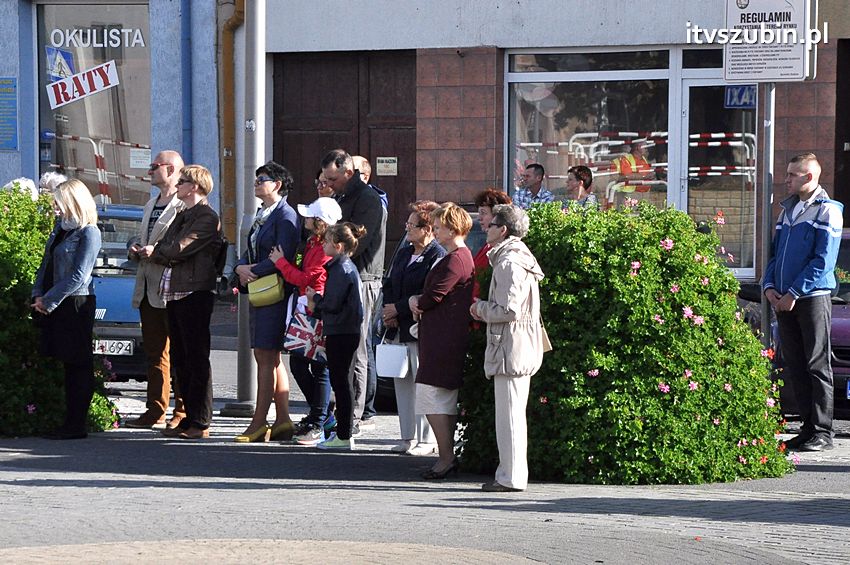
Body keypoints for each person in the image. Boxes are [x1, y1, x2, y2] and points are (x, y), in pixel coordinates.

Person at [763, 153, 843, 452]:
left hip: (810, 298)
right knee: (794, 363)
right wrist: (770, 287)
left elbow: (823, 262)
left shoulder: (827, 211)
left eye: (792, 175)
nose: (786, 179)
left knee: (816, 363)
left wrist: (794, 292)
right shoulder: (788, 211)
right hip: (784, 299)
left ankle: (823, 432)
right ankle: (807, 429)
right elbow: (775, 255)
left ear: (808, 177)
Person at [470, 204, 545, 492]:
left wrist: (479, 308)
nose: (484, 226)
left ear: (502, 229)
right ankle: (511, 474)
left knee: (510, 415)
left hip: (510, 346)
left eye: (490, 224)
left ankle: (511, 477)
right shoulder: (514, 257)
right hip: (515, 344)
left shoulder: (509, 261)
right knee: (511, 413)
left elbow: (508, 310)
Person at [151, 165, 223, 440]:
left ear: (194, 186)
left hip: (194, 292)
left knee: (196, 358)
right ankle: (188, 417)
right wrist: (160, 251)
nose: (177, 186)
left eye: (181, 182)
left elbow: (178, 248)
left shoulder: (206, 216)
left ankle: (201, 421)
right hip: (175, 291)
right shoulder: (183, 213)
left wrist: (158, 253)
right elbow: (167, 244)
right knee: (181, 357)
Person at [232, 161, 300, 443]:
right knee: (268, 357)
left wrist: (251, 271)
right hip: (259, 290)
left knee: (265, 356)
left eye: (263, 179)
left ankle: (259, 422)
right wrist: (239, 268)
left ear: (278, 185)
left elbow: (281, 257)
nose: (257, 183)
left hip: (274, 292)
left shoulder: (286, 216)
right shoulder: (263, 213)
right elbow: (248, 249)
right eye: (256, 179)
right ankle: (282, 420)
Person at [321, 149, 386, 431]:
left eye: (333, 178)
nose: (329, 184)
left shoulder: (368, 200)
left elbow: (357, 243)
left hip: (362, 278)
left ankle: (355, 416)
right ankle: (345, 413)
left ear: (348, 173)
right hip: (345, 275)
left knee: (358, 350)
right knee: (344, 352)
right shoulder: (342, 196)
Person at [31, 179, 101, 440]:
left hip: (75, 303)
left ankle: (76, 424)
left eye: (59, 202)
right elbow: (46, 263)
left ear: (73, 201)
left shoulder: (88, 232)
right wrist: (37, 294)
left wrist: (48, 300)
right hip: (53, 301)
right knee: (64, 361)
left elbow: (79, 276)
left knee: (77, 362)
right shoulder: (60, 229)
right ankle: (67, 421)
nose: (55, 208)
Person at [409, 203, 475, 479]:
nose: (434, 231)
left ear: (452, 228)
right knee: (438, 399)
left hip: (443, 339)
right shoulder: (455, 256)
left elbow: (433, 296)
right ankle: (446, 456)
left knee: (433, 398)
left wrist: (415, 301)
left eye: (438, 226)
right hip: (442, 336)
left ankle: (445, 458)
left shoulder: (456, 259)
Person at [270, 197, 342, 445]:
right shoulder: (312, 242)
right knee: (300, 364)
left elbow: (305, 279)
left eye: (310, 216)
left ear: (320, 222)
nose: (305, 219)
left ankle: (318, 420)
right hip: (305, 308)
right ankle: (322, 414)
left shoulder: (324, 249)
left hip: (316, 308)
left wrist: (280, 263)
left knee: (320, 367)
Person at [124, 150, 187, 430]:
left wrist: (157, 251)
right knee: (155, 352)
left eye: (155, 166)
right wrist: (134, 248)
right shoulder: (152, 202)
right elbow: (142, 236)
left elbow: (185, 245)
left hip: (171, 287)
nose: (150, 171)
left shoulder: (183, 205)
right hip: (148, 286)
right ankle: (155, 409)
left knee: (180, 353)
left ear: (171, 170)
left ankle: (183, 409)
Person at [381, 200, 445, 455]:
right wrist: (389, 310)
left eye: (412, 225)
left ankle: (425, 439)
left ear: (427, 229)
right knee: (402, 381)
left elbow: (427, 293)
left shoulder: (436, 255)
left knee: (422, 383)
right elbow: (390, 282)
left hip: (419, 328)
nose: (407, 228)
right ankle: (407, 435)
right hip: (398, 325)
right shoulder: (405, 251)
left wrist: (399, 309)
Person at [306, 222, 367, 450]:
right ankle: (343, 432)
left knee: (341, 383)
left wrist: (316, 300)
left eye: (328, 241)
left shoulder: (341, 269)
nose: (324, 245)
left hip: (342, 330)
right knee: (342, 382)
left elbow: (333, 303)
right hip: (345, 329)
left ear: (339, 246)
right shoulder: (343, 267)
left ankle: (344, 434)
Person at [473, 189, 512, 299]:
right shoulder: (488, 246)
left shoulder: (506, 252)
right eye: (479, 212)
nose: (479, 218)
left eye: (484, 213)